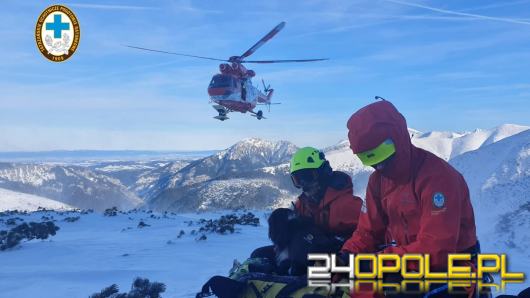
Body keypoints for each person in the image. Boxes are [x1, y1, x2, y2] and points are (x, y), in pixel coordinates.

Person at [340, 100, 480, 297]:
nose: (378, 166)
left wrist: (382, 261)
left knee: (397, 290)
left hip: (452, 266)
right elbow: (369, 230)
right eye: (369, 159)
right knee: (354, 287)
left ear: (399, 139)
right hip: (405, 261)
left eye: (383, 155)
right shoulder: (378, 181)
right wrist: (348, 253)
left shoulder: (437, 178)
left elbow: (437, 249)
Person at [251, 147, 363, 274]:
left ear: (323, 173)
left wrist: (341, 247)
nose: (304, 184)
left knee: (301, 244)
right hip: (308, 255)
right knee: (259, 254)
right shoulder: (304, 204)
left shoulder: (346, 205)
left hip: (338, 258)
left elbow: (372, 233)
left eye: (307, 176)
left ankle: (290, 275)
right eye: (298, 180)